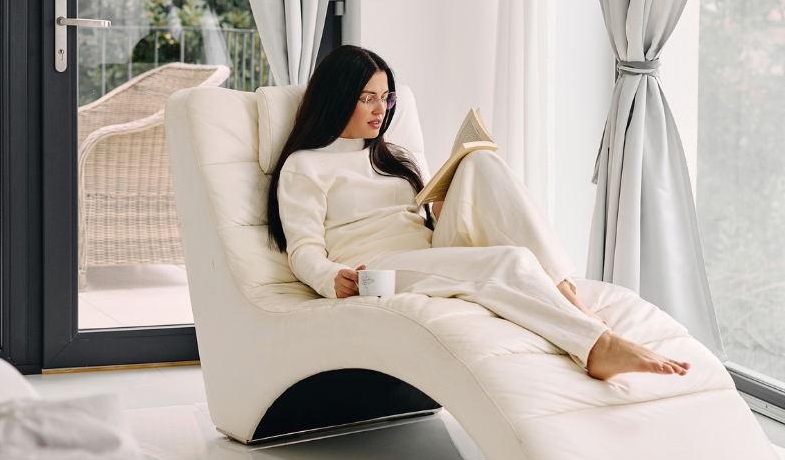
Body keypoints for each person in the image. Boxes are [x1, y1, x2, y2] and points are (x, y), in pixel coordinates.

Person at [266, 45, 690, 381]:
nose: (382, 110)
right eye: (367, 98)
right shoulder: (305, 165)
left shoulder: (393, 155)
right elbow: (301, 249)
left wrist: (441, 206)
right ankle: (596, 345)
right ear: (339, 97)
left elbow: (423, 222)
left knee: (480, 162)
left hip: (427, 250)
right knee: (511, 261)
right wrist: (328, 278)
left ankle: (566, 292)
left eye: (385, 97)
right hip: (375, 270)